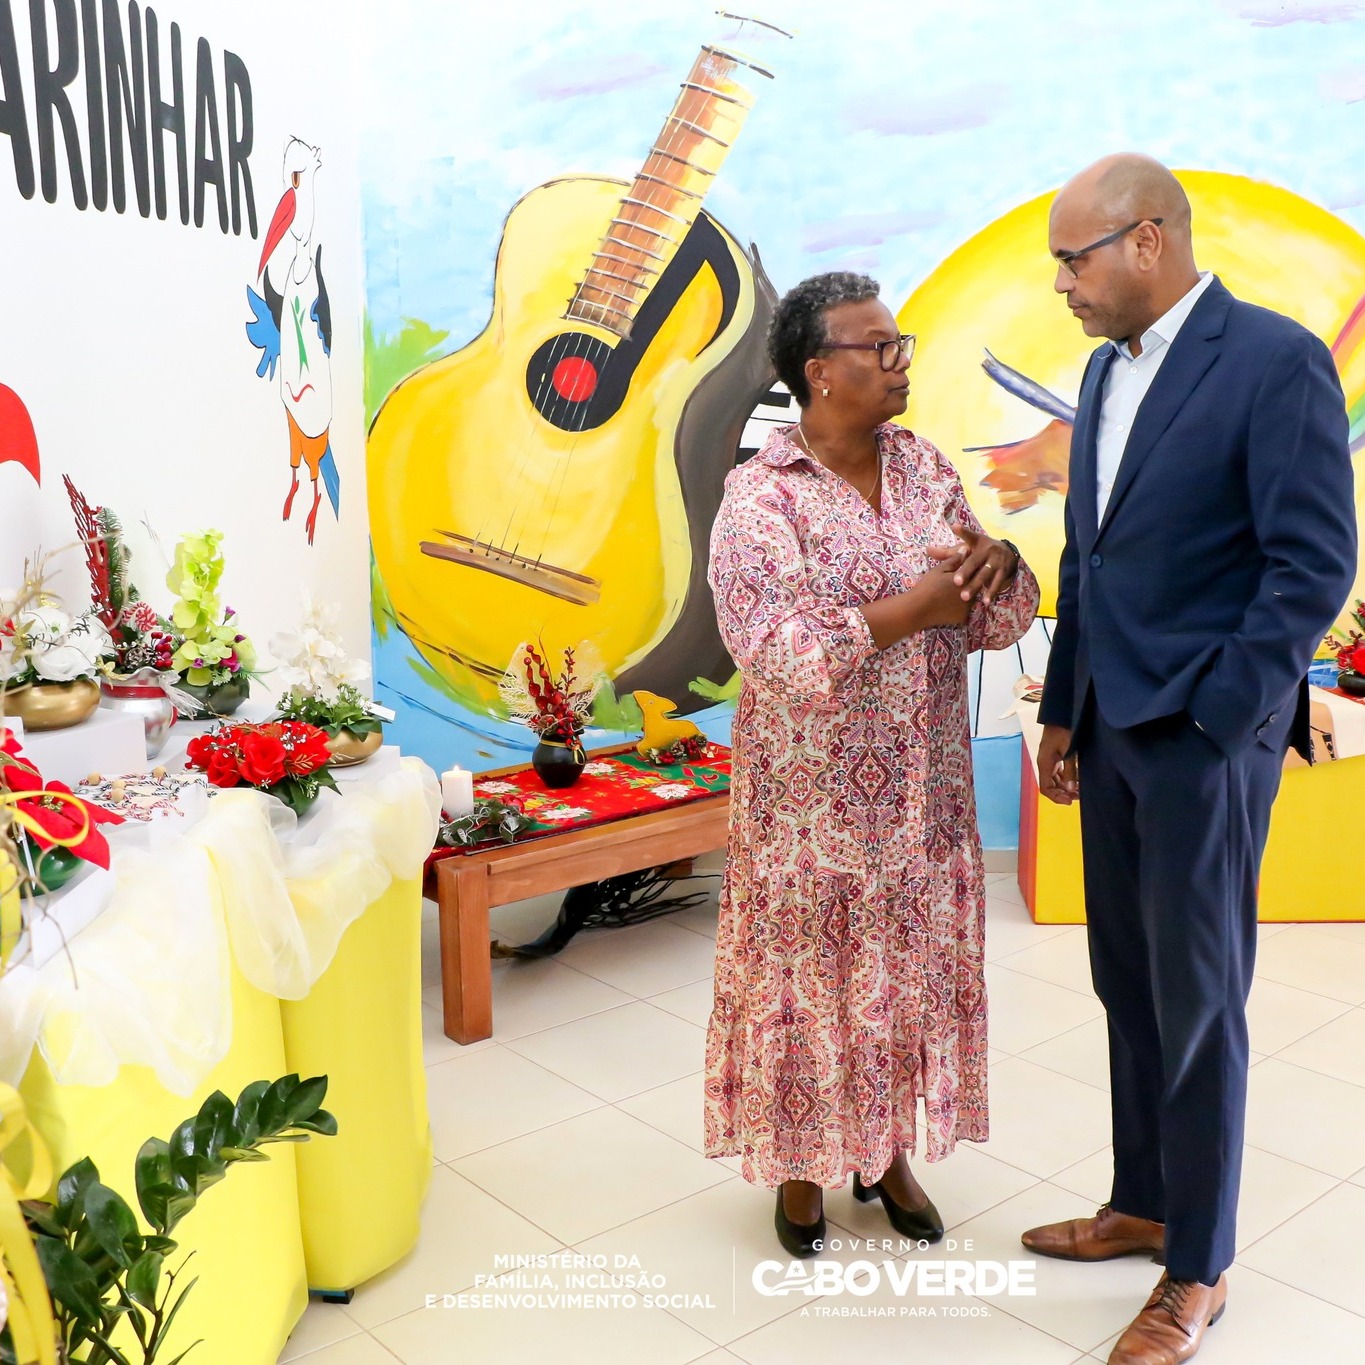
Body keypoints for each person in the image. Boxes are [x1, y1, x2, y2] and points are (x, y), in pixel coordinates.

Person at [1026, 154, 1357, 1365]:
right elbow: (1088, 554)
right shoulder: (1103, 372)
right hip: (1110, 728)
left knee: (1201, 1001)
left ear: (1149, 240)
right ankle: (1144, 1198)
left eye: (1076, 258)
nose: (1062, 282)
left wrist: (1223, 719)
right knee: (1129, 982)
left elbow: (1312, 563)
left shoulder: (1272, 361)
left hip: (1202, 744)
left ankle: (1197, 1270)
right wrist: (1066, 710)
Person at [704, 271, 1040, 1257]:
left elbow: (994, 614)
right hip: (808, 809)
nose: (900, 362)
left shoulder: (926, 467)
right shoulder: (761, 499)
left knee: (902, 979)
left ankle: (885, 1155)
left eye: (901, 344)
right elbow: (775, 654)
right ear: (819, 372)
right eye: (878, 347)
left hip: (921, 798)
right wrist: (911, 613)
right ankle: (804, 1172)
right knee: (813, 985)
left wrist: (1001, 569)